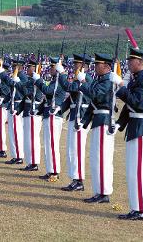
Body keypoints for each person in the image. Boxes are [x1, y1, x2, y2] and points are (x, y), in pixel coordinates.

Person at [111, 48, 143, 221]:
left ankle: (140, 209)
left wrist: (122, 87)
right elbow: (128, 107)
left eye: (132, 60)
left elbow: (136, 103)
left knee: (137, 171)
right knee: (132, 171)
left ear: (141, 63)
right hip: (134, 126)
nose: (129, 63)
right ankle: (136, 207)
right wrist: (119, 124)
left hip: (141, 127)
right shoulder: (137, 79)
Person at [78, 53, 115, 203]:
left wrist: (83, 82)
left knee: (101, 158)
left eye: (98, 64)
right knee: (96, 158)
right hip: (97, 119)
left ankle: (103, 192)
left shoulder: (107, 81)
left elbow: (96, 95)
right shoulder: (101, 80)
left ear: (106, 66)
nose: (95, 67)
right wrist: (84, 122)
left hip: (103, 120)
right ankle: (99, 191)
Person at [59, 54, 93, 191]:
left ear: (84, 66)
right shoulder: (79, 79)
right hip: (74, 116)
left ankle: (79, 180)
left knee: (77, 149)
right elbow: (71, 99)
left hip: (81, 117)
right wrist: (60, 109)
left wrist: (61, 73)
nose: (74, 67)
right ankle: (75, 178)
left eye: (77, 65)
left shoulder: (86, 79)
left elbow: (69, 88)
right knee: (72, 149)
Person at [32, 57, 66, 182]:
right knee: (47, 144)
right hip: (48, 114)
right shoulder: (54, 81)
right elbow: (47, 98)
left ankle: (55, 172)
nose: (50, 69)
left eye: (52, 67)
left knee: (52, 144)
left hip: (54, 115)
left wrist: (38, 80)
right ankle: (50, 169)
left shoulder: (59, 82)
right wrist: (38, 110)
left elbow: (47, 91)